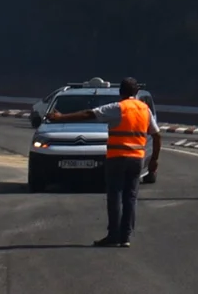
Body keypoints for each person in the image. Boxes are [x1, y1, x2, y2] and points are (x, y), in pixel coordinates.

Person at [50, 76, 162, 247]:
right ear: (137, 91)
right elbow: (157, 135)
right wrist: (154, 159)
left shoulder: (118, 107)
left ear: (120, 92)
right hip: (137, 160)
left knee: (115, 195)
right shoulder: (144, 109)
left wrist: (61, 117)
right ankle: (126, 237)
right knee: (130, 197)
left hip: (117, 158)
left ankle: (113, 235)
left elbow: (89, 114)